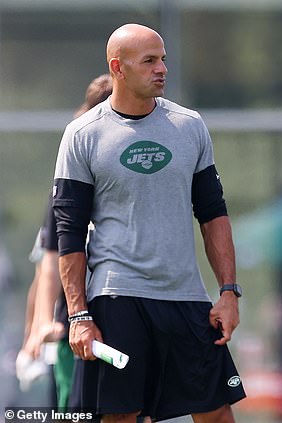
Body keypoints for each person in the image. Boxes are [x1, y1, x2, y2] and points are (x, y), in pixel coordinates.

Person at [52, 23, 245, 422]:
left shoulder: (189, 126)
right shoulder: (82, 135)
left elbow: (213, 214)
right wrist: (79, 316)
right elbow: (69, 235)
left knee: (217, 412)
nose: (162, 69)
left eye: (163, 60)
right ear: (118, 68)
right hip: (117, 297)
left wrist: (228, 291)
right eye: (149, 61)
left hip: (186, 297)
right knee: (121, 416)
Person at [23, 74, 113, 410]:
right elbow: (48, 263)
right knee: (73, 412)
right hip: (71, 328)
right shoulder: (67, 185)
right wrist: (41, 324)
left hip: (125, 316)